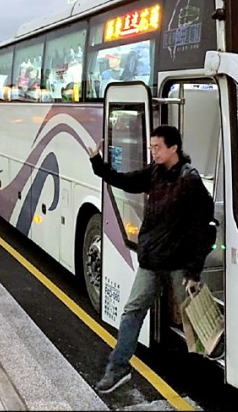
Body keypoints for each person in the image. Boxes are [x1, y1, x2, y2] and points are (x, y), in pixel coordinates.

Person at [88, 125, 216, 393]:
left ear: (174, 148)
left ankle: (204, 373)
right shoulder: (155, 172)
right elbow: (127, 181)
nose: (153, 152)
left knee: (194, 318)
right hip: (152, 260)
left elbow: (203, 229)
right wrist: (97, 163)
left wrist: (194, 271)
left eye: (157, 147)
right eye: (151, 147)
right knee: (133, 311)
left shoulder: (189, 181)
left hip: (179, 264)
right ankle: (118, 367)